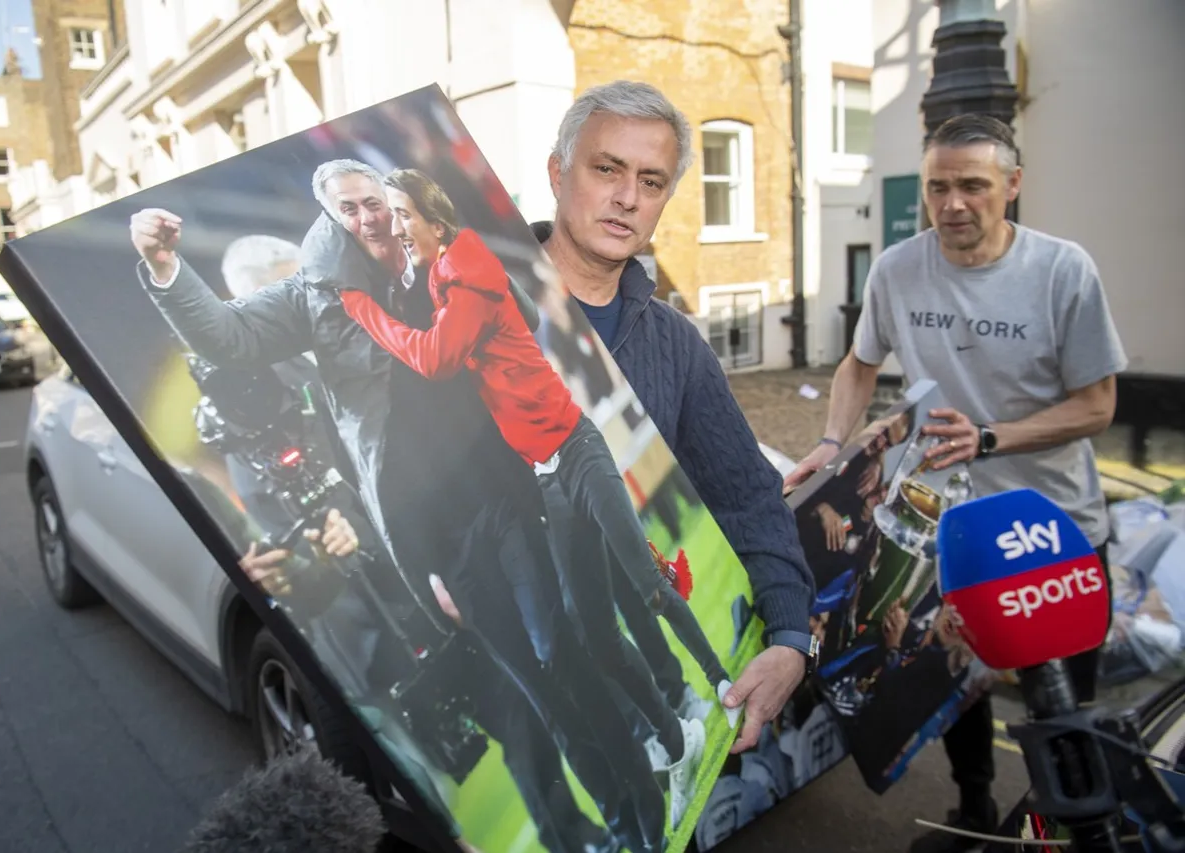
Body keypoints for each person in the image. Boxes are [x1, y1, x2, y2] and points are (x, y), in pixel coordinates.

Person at [128, 159, 666, 852]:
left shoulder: (433, 254)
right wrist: (165, 266)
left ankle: (647, 800)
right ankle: (624, 827)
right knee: (536, 689)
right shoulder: (317, 298)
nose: (367, 218)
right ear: (330, 219)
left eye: (372, 203)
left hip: (500, 483)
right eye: (348, 209)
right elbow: (227, 337)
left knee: (563, 648)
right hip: (434, 532)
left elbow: (520, 320)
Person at [783, 113, 1126, 852]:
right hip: (954, 530)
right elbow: (858, 363)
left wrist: (991, 436)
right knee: (953, 684)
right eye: (938, 186)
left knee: (1061, 707)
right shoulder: (899, 269)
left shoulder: (1064, 270)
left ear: (1013, 185)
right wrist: (832, 441)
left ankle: (1064, 831)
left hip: (1050, 528)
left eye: (973, 184)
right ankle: (974, 814)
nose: (952, 203)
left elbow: (1099, 405)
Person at [336, 167, 718, 825]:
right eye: (378, 216)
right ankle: (675, 730)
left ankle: (711, 694)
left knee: (637, 588)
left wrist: (365, 311)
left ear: (430, 216)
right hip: (532, 474)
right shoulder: (428, 277)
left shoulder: (465, 264)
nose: (391, 226)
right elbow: (520, 319)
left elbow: (437, 357)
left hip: (568, 450)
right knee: (591, 628)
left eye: (398, 213)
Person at [529, 79, 819, 756]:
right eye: (607, 168)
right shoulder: (478, 302)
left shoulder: (676, 343)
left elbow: (748, 494)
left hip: (634, 644)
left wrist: (789, 636)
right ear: (557, 172)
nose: (627, 196)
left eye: (651, 181)